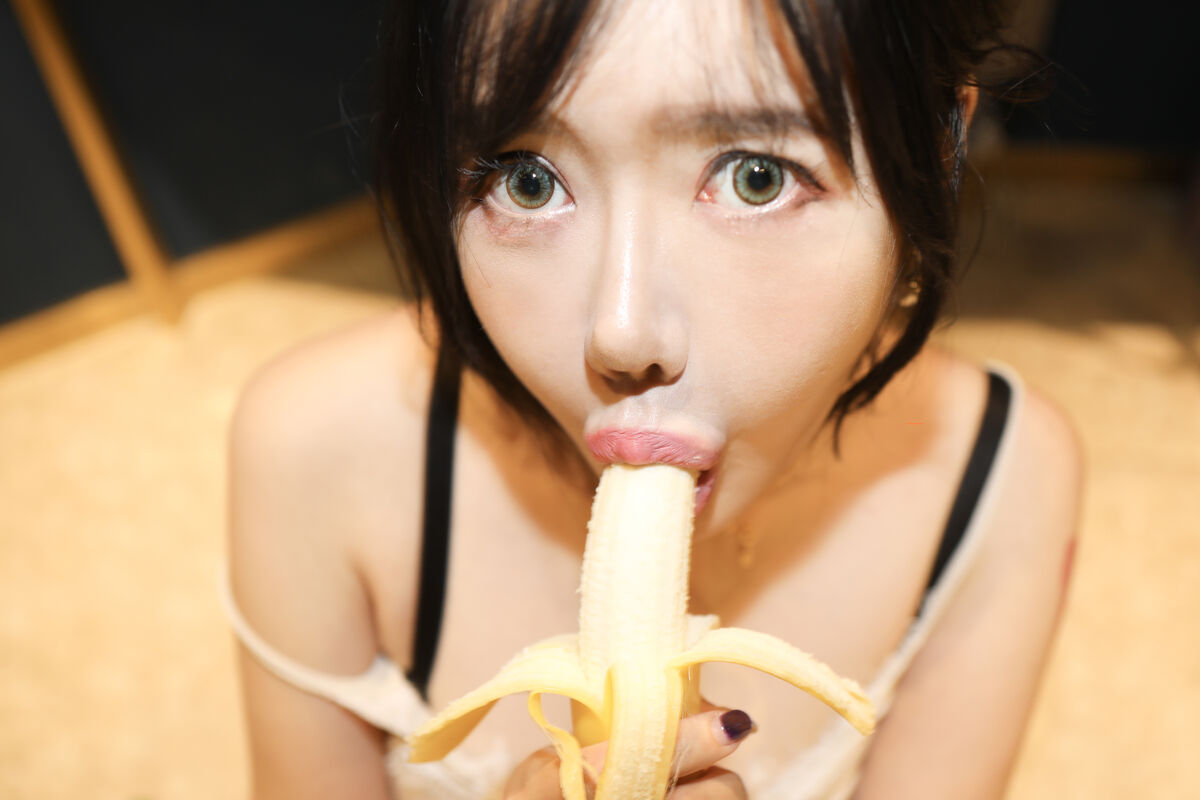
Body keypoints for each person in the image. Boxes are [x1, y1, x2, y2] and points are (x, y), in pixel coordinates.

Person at [225, 1, 1082, 797]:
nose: (623, 333)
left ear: (937, 155)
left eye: (756, 177)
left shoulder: (1008, 480)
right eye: (526, 180)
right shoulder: (313, 446)